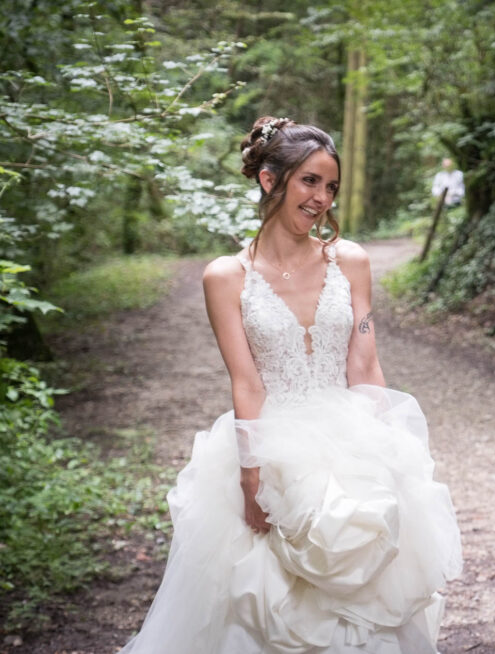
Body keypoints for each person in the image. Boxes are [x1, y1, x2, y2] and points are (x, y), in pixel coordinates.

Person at [120, 116, 462, 653]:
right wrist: (252, 481)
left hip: (349, 445)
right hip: (271, 445)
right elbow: (247, 383)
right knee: (258, 605)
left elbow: (365, 365)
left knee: (363, 606)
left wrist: (386, 456)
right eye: (309, 181)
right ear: (269, 180)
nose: (321, 198)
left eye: (330, 187)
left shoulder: (351, 262)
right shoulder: (225, 277)